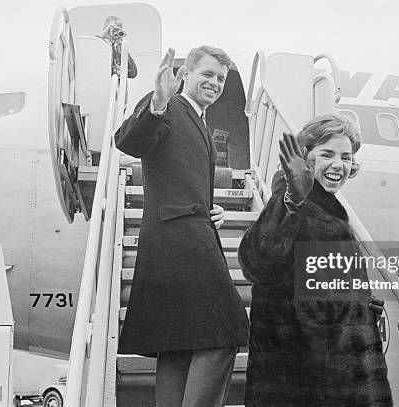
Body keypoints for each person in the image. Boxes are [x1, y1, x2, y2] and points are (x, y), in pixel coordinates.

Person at [115, 46, 249, 407]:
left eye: (221, 78)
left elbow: (178, 175)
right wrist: (157, 101)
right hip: (179, 241)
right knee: (224, 332)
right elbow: (128, 141)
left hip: (183, 234)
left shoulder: (199, 119)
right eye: (207, 74)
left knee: (177, 344)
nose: (215, 83)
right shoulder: (169, 105)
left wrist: (210, 209)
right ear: (185, 74)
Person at [238, 115, 393, 406]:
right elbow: (258, 260)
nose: (339, 165)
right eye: (327, 154)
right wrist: (292, 202)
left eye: (346, 157)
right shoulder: (293, 204)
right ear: (305, 158)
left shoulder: (328, 214)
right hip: (307, 386)